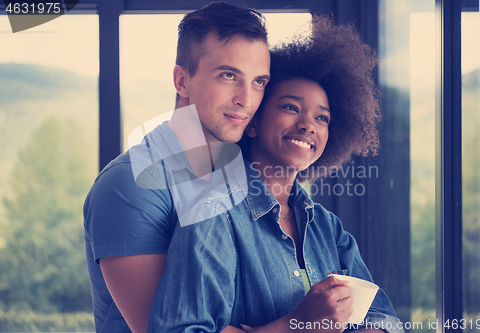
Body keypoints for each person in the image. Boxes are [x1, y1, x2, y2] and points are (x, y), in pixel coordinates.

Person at [148, 16, 404, 333]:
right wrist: (298, 324)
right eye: (291, 108)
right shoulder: (212, 217)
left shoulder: (327, 227)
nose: (309, 125)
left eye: (322, 117)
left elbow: (384, 318)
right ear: (252, 122)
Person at [83, 2, 270, 333]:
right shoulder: (129, 185)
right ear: (182, 80)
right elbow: (171, 327)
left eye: (259, 82)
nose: (247, 99)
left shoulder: (241, 178)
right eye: (229, 75)